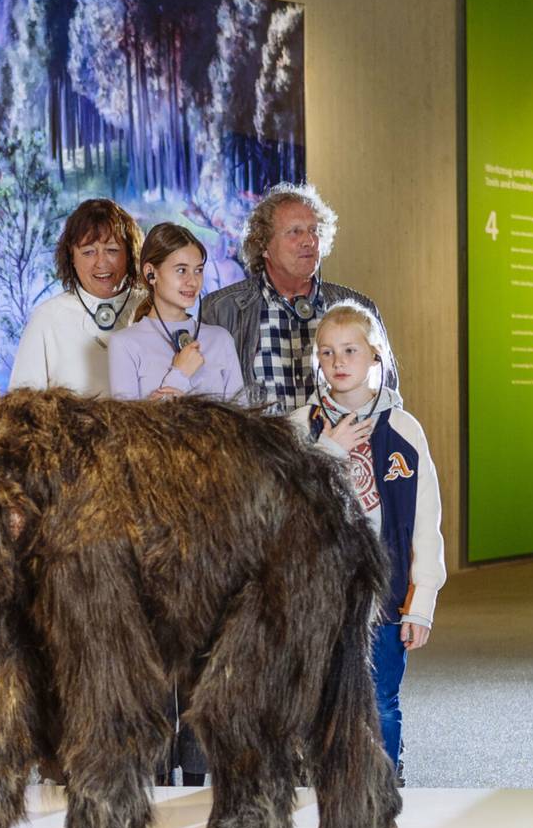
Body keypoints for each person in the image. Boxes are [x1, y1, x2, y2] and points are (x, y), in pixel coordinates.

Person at [290, 304, 444, 779]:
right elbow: (286, 510)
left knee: (381, 700)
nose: (339, 362)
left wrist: (422, 602)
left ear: (374, 356)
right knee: (322, 697)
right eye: (328, 352)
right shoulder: (302, 428)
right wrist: (328, 451)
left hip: (386, 598)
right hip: (323, 600)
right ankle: (327, 786)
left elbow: (425, 521)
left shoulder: (403, 429)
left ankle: (384, 785)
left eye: (351, 350)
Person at [198, 183, 392, 414]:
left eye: (314, 231)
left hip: (341, 448)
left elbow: (386, 392)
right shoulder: (221, 309)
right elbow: (206, 404)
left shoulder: (359, 309)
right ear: (263, 245)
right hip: (258, 449)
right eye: (295, 231)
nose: (308, 241)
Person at [9, 198, 142, 394]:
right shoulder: (47, 318)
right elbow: (20, 409)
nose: (101, 262)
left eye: (112, 250)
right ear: (71, 257)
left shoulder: (154, 309)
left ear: (130, 253)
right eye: (88, 252)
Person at [107, 222, 246, 404]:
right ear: (151, 273)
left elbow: (243, 425)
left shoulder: (221, 339)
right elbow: (129, 429)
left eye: (198, 271)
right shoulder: (125, 344)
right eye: (181, 270)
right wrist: (180, 375)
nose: (193, 282)